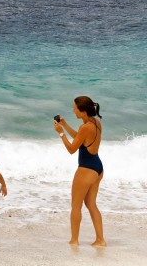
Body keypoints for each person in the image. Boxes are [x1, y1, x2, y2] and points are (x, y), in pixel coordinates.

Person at [53, 96, 106, 246]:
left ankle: (74, 240)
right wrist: (65, 124)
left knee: (76, 206)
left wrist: (61, 133)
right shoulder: (95, 123)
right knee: (91, 204)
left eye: (75, 107)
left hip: (86, 169)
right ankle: (100, 240)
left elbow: (71, 149)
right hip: (98, 167)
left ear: (82, 112)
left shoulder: (85, 127)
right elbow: (79, 138)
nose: (73, 110)